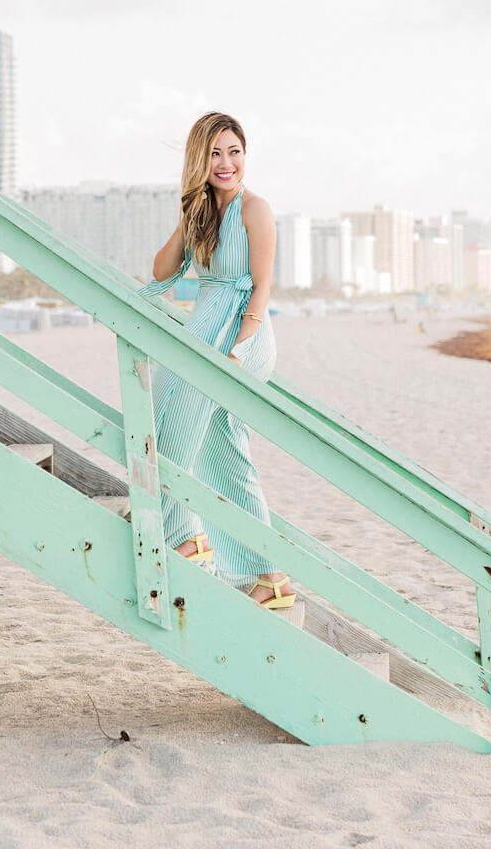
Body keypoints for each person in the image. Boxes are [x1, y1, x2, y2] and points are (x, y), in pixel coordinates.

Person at [138, 111, 295, 610]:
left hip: (237, 336)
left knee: (172, 428)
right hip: (205, 331)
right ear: (199, 161)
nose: (227, 163)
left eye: (235, 151)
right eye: (215, 154)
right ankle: (267, 575)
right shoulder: (203, 213)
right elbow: (163, 270)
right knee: (225, 455)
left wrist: (238, 349)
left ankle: (184, 536)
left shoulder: (256, 209)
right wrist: (187, 216)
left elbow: (262, 287)